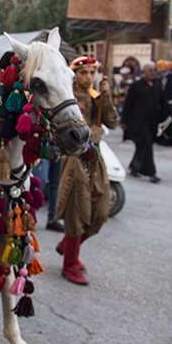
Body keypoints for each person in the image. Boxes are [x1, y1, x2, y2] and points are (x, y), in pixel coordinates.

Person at [55, 56, 118, 285]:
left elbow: (112, 122)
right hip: (75, 159)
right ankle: (70, 264)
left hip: (96, 159)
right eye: (84, 73)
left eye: (92, 72)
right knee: (75, 213)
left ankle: (68, 246)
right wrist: (90, 131)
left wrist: (106, 97)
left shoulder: (96, 95)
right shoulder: (66, 97)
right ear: (75, 74)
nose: (89, 77)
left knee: (100, 212)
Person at [121, 61, 166, 183]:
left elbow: (163, 102)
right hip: (138, 123)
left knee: (142, 146)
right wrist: (124, 121)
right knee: (146, 144)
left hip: (152, 123)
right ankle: (151, 173)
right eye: (150, 70)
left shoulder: (157, 84)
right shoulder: (136, 86)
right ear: (144, 72)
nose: (153, 73)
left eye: (154, 70)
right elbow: (128, 104)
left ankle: (134, 167)